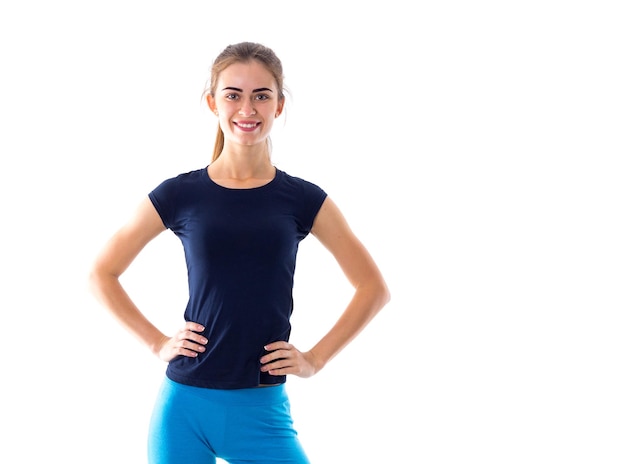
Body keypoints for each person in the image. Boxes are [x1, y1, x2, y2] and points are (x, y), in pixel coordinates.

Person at [89, 41, 390, 464]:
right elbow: (101, 273)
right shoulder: (180, 194)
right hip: (184, 409)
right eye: (233, 94)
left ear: (279, 106)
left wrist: (314, 360)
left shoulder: (304, 200)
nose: (247, 109)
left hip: (262, 412)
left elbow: (373, 288)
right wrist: (157, 342)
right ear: (213, 102)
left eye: (261, 96)